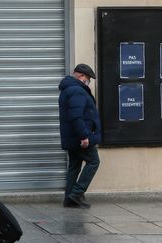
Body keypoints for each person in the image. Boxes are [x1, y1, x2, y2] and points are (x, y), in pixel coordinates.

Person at [58, 63, 102, 209]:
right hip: (79, 136)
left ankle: (69, 199)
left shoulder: (68, 89)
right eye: (88, 78)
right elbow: (76, 116)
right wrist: (84, 136)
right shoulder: (77, 90)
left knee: (74, 166)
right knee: (94, 161)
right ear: (81, 76)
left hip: (72, 136)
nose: (88, 81)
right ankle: (76, 194)